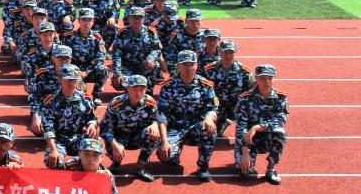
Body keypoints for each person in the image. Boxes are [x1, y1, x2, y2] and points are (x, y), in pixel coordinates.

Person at [157, 50, 218, 182]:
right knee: (166, 156)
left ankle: (203, 168)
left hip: (196, 128)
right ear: (178, 65)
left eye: (191, 64)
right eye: (184, 64)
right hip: (174, 129)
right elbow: (162, 115)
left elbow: (212, 108)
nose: (188, 68)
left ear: (197, 65)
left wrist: (208, 118)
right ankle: (175, 154)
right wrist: (164, 141)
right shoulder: (168, 86)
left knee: (209, 129)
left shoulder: (205, 85)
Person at [99, 75, 160, 182]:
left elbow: (157, 119)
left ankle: (140, 167)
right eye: (135, 89)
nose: (138, 93)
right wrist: (114, 144)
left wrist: (155, 124)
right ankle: (116, 163)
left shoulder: (150, 103)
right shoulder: (116, 104)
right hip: (119, 138)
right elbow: (104, 128)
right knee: (113, 149)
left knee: (155, 134)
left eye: (142, 89)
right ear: (127, 88)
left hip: (138, 137)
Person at [234, 64, 288, 185]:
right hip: (249, 140)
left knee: (280, 132)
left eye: (270, 78)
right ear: (256, 78)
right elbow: (241, 126)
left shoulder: (281, 98)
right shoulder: (245, 99)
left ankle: (271, 169)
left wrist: (257, 127)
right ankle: (246, 157)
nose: (267, 81)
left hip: (268, 138)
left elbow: (280, 120)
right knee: (244, 172)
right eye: (263, 78)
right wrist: (245, 152)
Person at [41, 64, 99, 169]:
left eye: (74, 80)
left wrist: (91, 124)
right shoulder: (50, 101)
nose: (72, 83)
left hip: (79, 137)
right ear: (60, 79)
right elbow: (47, 127)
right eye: (68, 80)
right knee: (52, 161)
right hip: (59, 139)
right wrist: (53, 150)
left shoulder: (85, 99)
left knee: (93, 152)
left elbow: (92, 117)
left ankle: (78, 167)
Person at [206, 39, 255, 138]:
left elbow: (252, 92)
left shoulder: (245, 72)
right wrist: (213, 101)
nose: (228, 55)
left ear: (235, 52)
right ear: (219, 52)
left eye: (231, 52)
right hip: (218, 104)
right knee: (209, 133)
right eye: (225, 52)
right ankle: (222, 122)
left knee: (245, 135)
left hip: (237, 104)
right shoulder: (209, 70)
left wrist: (242, 104)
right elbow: (204, 89)